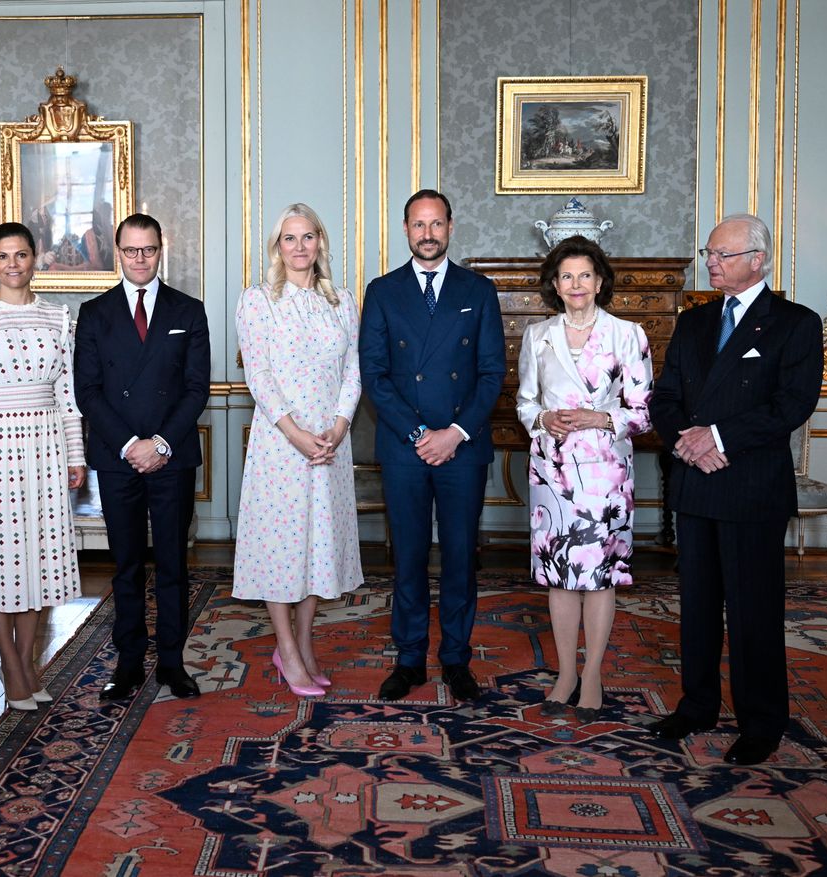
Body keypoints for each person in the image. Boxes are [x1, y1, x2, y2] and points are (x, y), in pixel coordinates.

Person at [647, 214, 822, 765]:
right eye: (709, 253)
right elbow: (663, 397)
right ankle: (697, 704)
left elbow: (792, 404)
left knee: (753, 611)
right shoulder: (694, 323)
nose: (711, 263)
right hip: (697, 483)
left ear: (759, 259)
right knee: (696, 606)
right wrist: (687, 442)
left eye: (723, 254)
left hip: (751, 487)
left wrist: (717, 436)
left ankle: (762, 722)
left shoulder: (795, 323)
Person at [359, 189, 505, 702]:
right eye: (418, 224)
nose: (428, 233)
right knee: (409, 555)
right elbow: (374, 375)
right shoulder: (382, 291)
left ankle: (457, 660)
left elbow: (491, 374)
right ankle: (408, 658)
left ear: (450, 227)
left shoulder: (478, 289)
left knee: (462, 556)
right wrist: (421, 435)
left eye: (436, 224)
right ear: (405, 229)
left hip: (462, 447)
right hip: (406, 447)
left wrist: (454, 434)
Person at [515, 236, 654, 722]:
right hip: (552, 472)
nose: (576, 284)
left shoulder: (627, 334)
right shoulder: (538, 335)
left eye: (585, 275)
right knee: (558, 575)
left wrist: (601, 419)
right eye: (566, 276)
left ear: (600, 282)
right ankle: (566, 672)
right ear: (555, 284)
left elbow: (643, 412)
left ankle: (592, 672)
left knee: (597, 577)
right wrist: (541, 419)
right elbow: (525, 401)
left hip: (604, 474)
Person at [0, 222, 86, 710]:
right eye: (3, 256)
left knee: (39, 557)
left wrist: (76, 455)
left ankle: (29, 662)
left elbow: (68, 395)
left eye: (21, 255)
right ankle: (10, 664)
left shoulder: (57, 316)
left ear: (35, 258)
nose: (12, 264)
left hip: (46, 444)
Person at [74, 213, 211, 701]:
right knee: (126, 565)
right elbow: (87, 392)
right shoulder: (95, 313)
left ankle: (172, 663)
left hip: (171, 457)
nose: (139, 258)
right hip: (117, 458)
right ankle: (129, 661)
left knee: (174, 563)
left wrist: (162, 444)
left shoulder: (188, 311)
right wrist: (132, 446)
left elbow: (197, 388)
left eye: (148, 250)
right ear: (117, 252)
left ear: (160, 250)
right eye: (131, 250)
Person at [233, 204, 364, 697]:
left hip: (330, 444)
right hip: (280, 444)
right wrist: (295, 433)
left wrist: (337, 425)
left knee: (318, 547)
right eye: (290, 238)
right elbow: (258, 376)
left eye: (308, 237)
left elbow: (353, 370)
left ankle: (306, 645)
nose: (300, 246)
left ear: (320, 243)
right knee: (280, 548)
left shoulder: (342, 301)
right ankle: (286, 648)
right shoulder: (258, 301)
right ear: (277, 247)